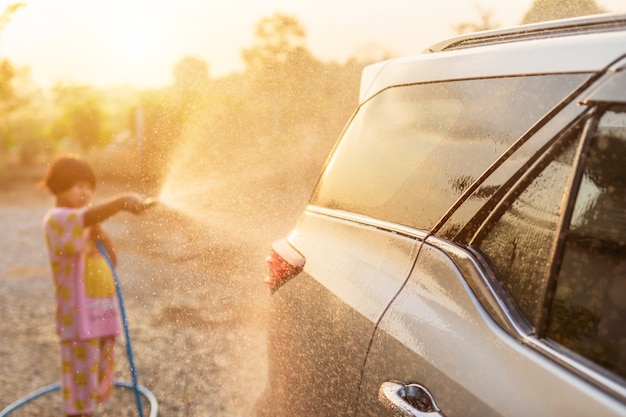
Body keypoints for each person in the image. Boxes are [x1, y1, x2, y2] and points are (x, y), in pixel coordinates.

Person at [40, 155, 148, 417]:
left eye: (89, 186)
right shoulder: (57, 219)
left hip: (99, 311)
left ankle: (90, 407)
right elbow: (88, 215)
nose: (85, 192)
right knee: (80, 382)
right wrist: (121, 202)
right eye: (77, 186)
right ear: (57, 186)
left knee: (99, 369)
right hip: (78, 320)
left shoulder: (87, 223)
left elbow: (112, 258)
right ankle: (79, 413)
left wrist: (101, 230)